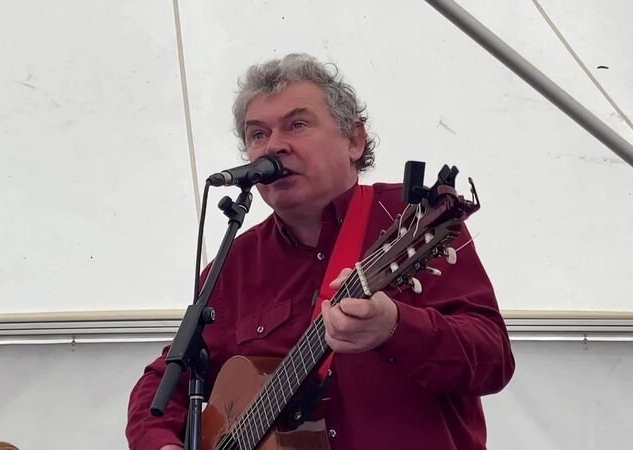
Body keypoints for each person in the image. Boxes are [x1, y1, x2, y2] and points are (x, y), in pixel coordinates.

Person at [127, 53, 515, 450]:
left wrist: (396, 327)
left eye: (297, 124)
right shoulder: (232, 266)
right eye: (257, 134)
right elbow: (162, 383)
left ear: (354, 139)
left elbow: (493, 360)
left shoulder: (410, 221)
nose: (273, 146)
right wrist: (159, 443)